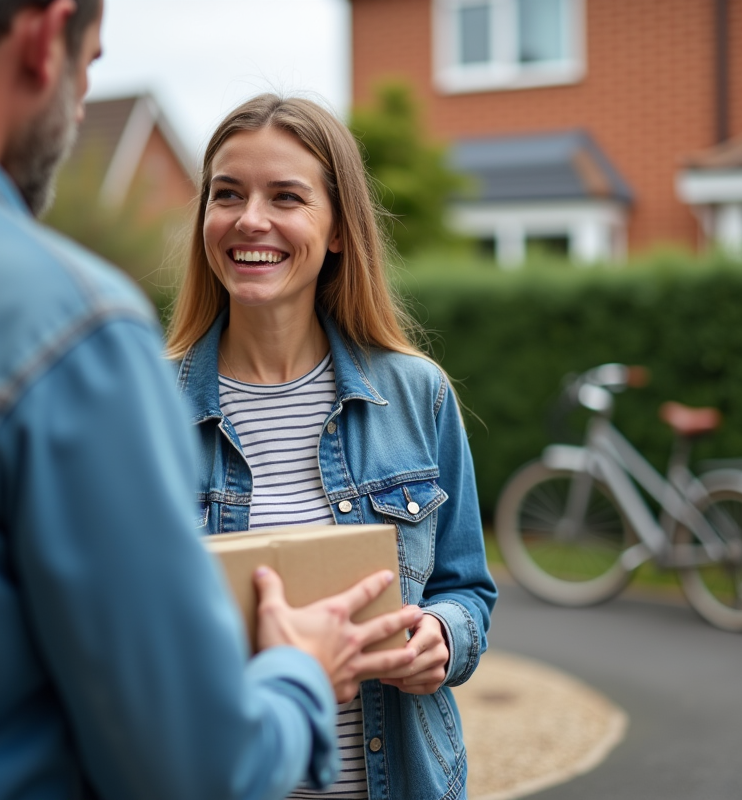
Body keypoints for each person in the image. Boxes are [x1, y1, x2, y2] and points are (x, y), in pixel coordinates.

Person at [0, 2, 425, 799]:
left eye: (287, 198)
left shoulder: (412, 392)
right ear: (44, 36)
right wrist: (299, 674)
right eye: (90, 65)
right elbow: (192, 769)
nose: (79, 109)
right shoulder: (62, 332)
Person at [165, 94, 498, 800]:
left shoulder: (418, 395)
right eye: (228, 194)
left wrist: (443, 636)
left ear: (339, 228)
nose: (250, 219)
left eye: (286, 196)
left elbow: (466, 587)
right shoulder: (141, 410)